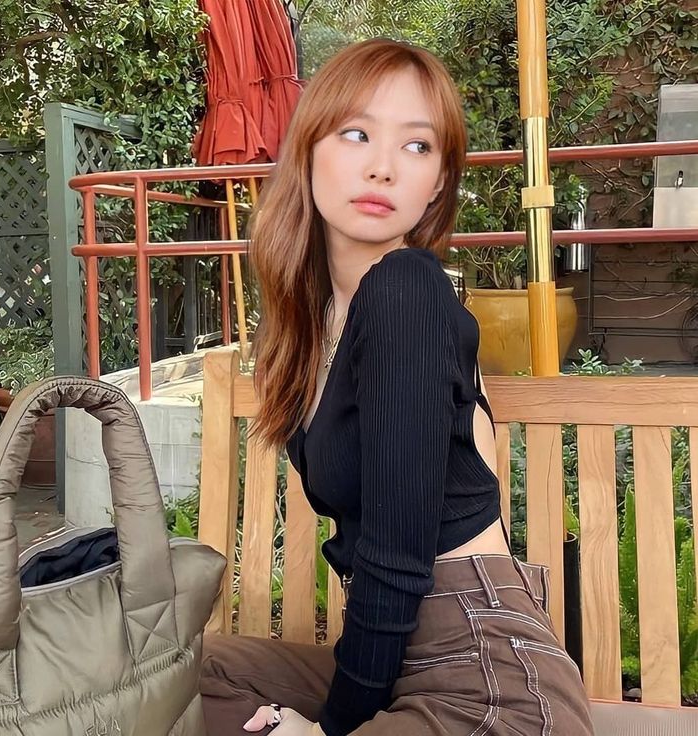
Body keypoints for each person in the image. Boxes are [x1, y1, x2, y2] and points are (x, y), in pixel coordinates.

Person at [200, 38, 594, 736]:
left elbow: (394, 552)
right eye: (356, 134)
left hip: (486, 679)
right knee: (188, 673)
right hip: (396, 660)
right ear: (310, 150)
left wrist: (331, 729)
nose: (382, 167)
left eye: (416, 148)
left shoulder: (405, 292)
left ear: (438, 181)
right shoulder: (313, 324)